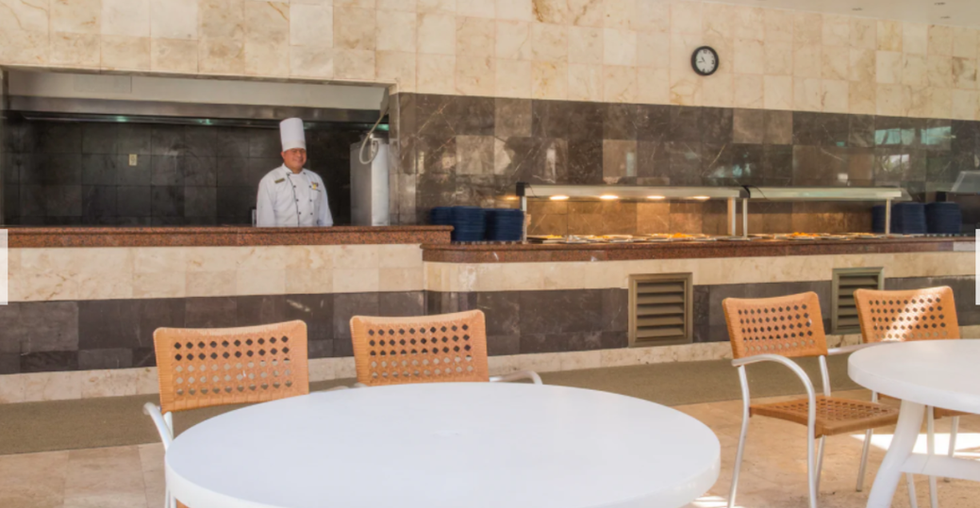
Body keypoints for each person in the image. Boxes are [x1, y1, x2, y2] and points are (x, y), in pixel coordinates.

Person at [255, 118, 333, 227]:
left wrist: (327, 235)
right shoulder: (270, 180)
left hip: (312, 236)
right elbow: (265, 220)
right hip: (281, 237)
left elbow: (324, 215)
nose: (299, 155)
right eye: (294, 151)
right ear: (283, 155)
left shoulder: (315, 179)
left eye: (302, 151)